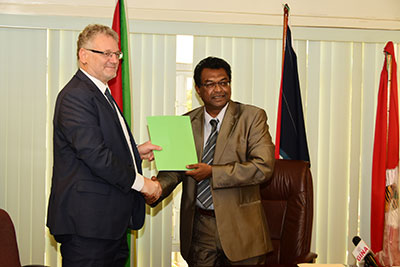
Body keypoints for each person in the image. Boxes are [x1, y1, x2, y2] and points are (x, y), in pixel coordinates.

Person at [46, 24, 162, 266]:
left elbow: (98, 147)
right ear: (83, 55)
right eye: (105, 53)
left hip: (107, 225)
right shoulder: (77, 95)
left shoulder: (100, 93)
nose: (113, 60)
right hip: (87, 226)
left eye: (116, 54)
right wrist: (144, 185)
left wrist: (135, 152)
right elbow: (96, 155)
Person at [148, 56, 275, 266]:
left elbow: (263, 167)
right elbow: (176, 169)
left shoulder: (252, 117)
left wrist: (213, 172)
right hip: (200, 227)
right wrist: (156, 187)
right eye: (210, 84)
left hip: (242, 228)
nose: (218, 90)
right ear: (198, 89)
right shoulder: (185, 122)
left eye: (223, 82)